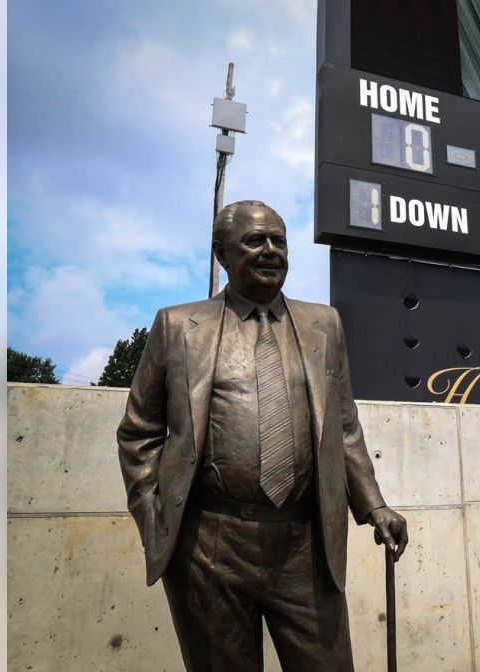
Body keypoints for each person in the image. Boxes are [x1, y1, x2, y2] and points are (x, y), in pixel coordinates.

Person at [117, 200, 407, 671]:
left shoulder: (324, 325)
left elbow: (344, 428)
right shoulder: (177, 326)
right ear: (221, 254)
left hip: (304, 545)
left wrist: (373, 505)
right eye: (255, 241)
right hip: (209, 547)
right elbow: (139, 432)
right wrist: (155, 518)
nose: (271, 251)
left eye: (279, 241)